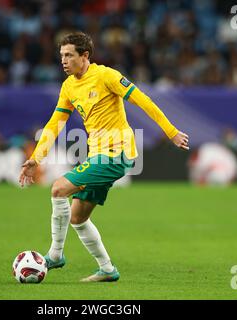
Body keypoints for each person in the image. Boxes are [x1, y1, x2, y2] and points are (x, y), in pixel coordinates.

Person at [19, 32, 189, 282]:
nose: (63, 61)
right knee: (77, 217)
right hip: (98, 155)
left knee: (58, 189)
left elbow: (143, 101)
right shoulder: (68, 86)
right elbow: (55, 124)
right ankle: (107, 269)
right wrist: (36, 157)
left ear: (84, 56)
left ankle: (55, 254)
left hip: (117, 154)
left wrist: (171, 132)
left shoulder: (106, 76)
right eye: (61, 56)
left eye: (69, 55)